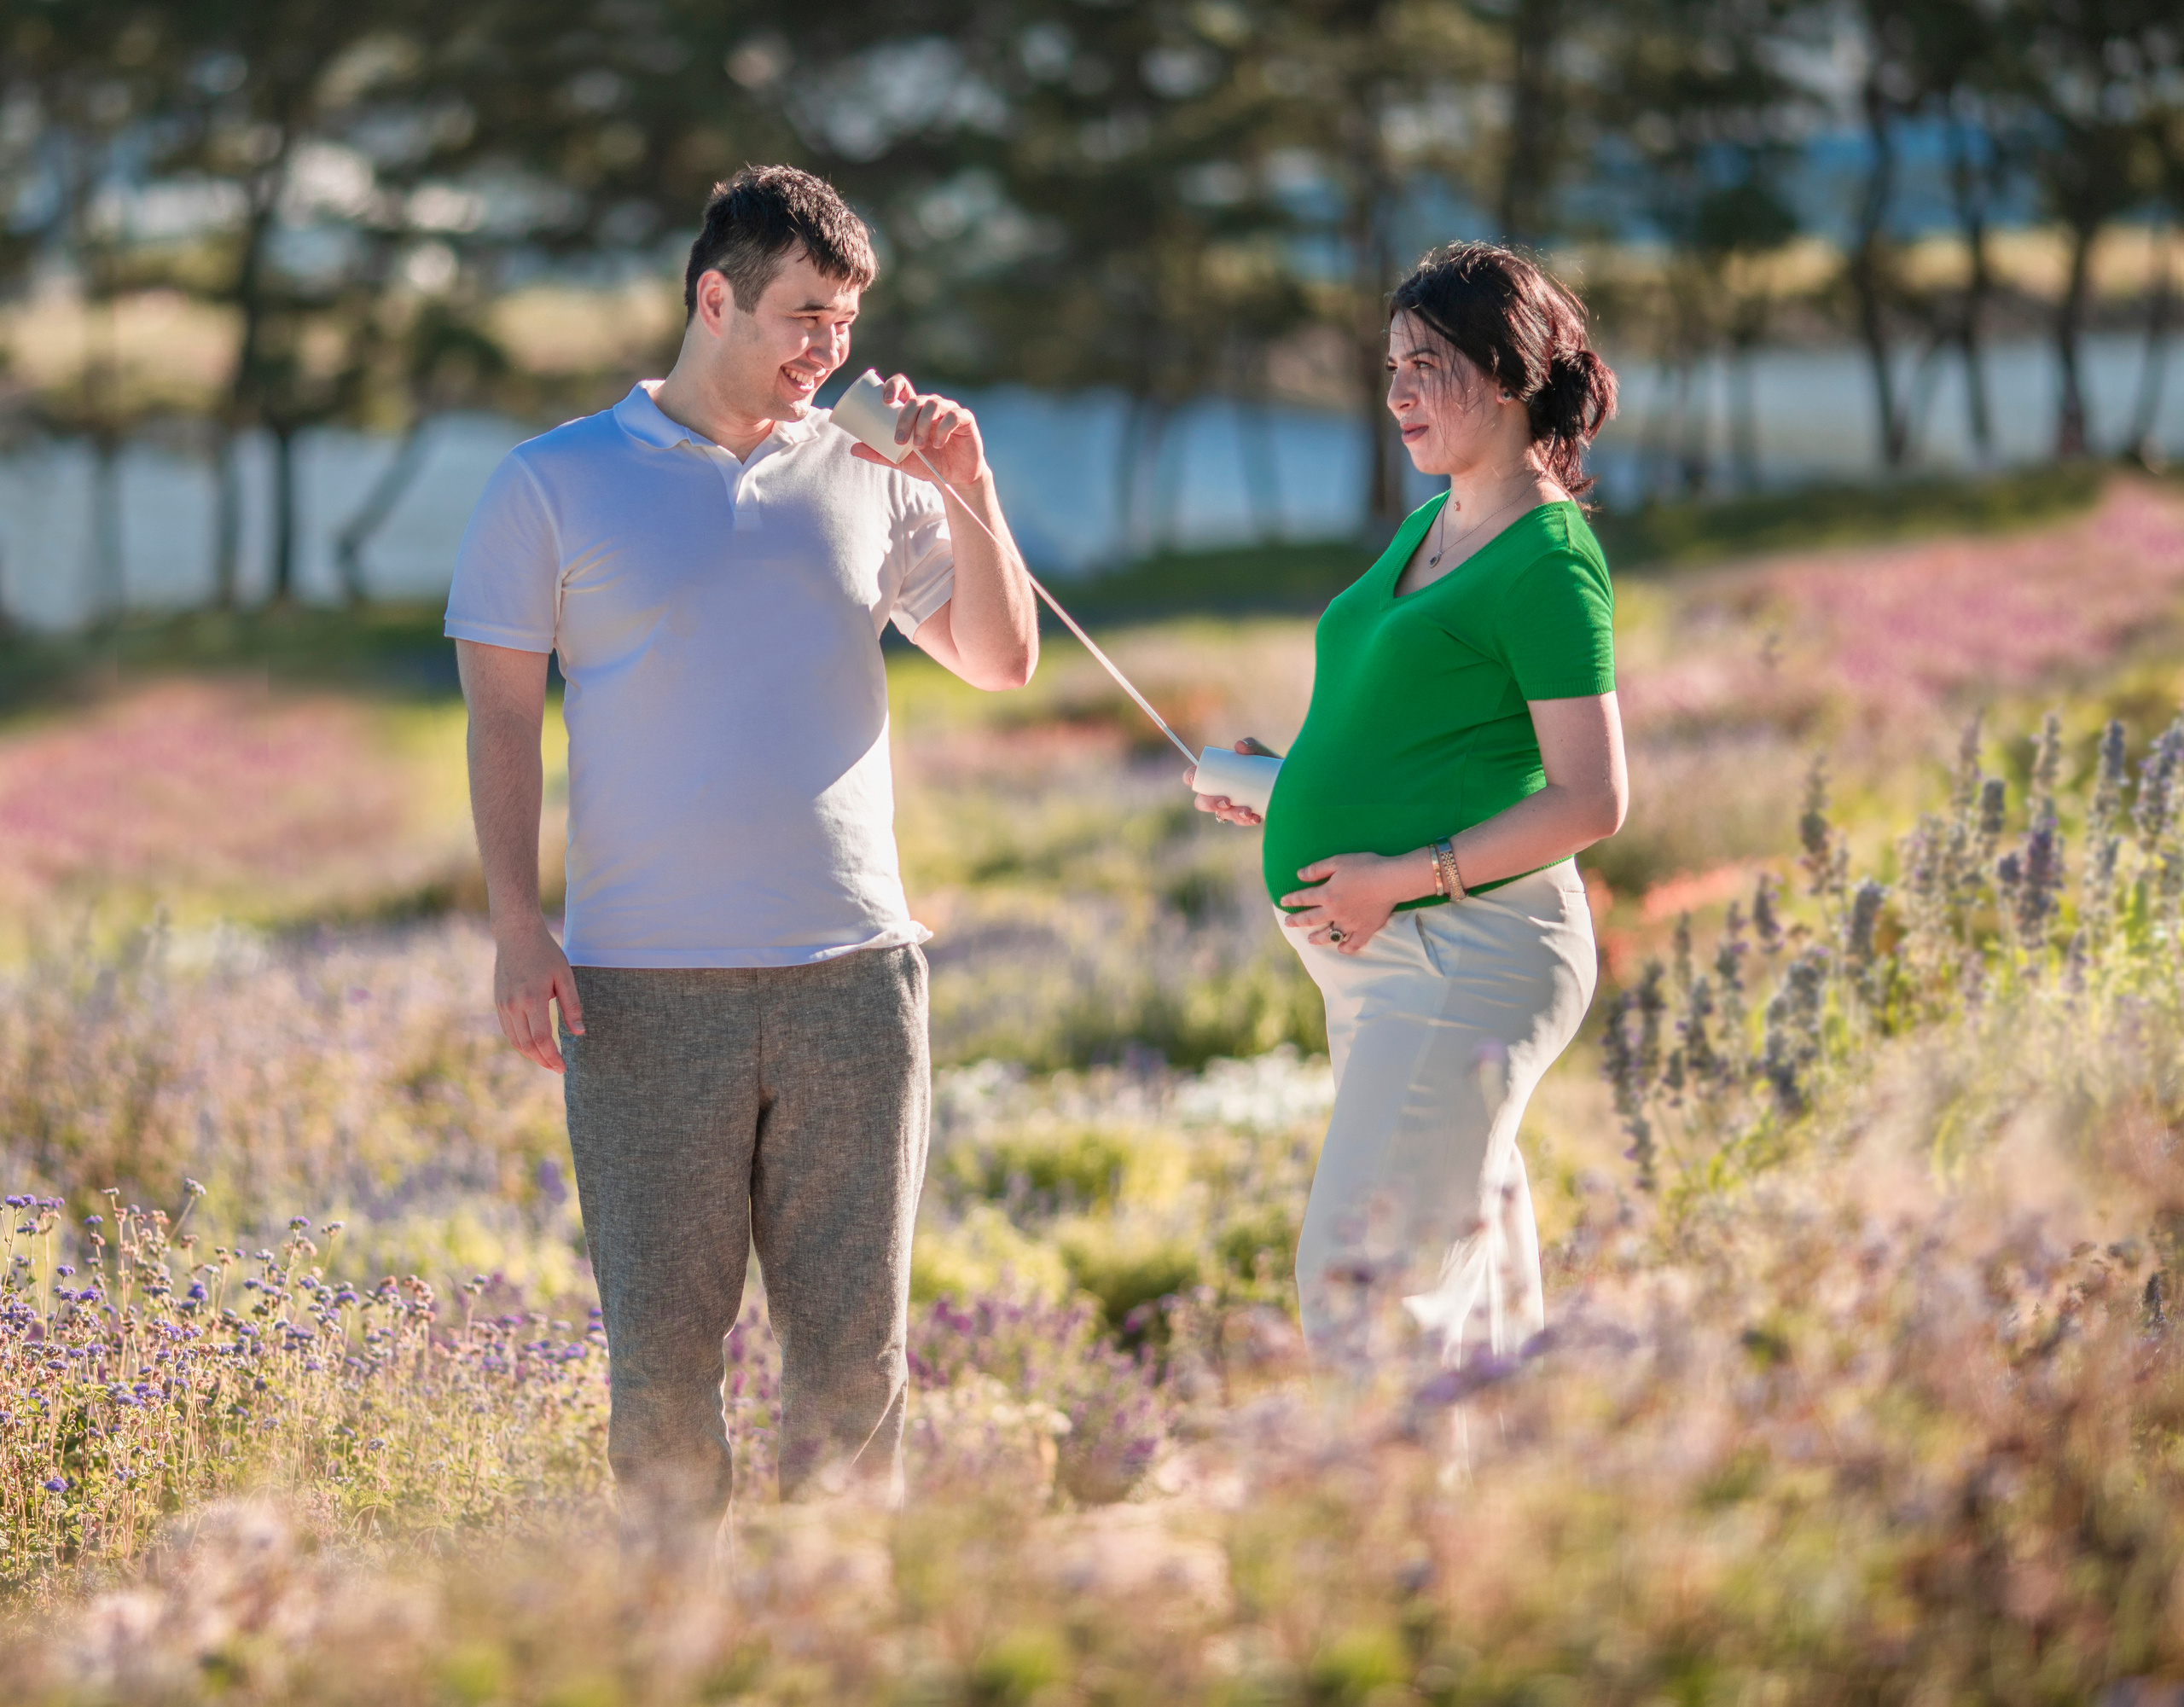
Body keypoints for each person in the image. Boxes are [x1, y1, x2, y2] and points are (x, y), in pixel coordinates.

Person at [444, 165, 1038, 1535]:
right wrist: (519, 928)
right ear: (716, 300)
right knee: (661, 1380)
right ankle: (680, 1636)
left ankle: (829, 1626)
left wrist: (969, 487)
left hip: (856, 984)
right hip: (643, 993)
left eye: (848, 321)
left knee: (854, 1370)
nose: (831, 349)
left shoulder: (871, 476)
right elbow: (500, 722)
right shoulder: (550, 483)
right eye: (805, 316)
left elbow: (1003, 659)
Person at [1193, 241, 1625, 1379]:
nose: (1397, 394)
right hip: (1398, 965)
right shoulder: (1433, 523)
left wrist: (1397, 876)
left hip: (1465, 953)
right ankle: (1499, 1484)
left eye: (1428, 365)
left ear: (1512, 371)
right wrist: (1291, 783)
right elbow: (1429, 738)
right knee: (1468, 1291)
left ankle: (1382, 1494)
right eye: (1391, 367)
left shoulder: (1548, 560)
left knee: (1360, 1279)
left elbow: (1591, 798)